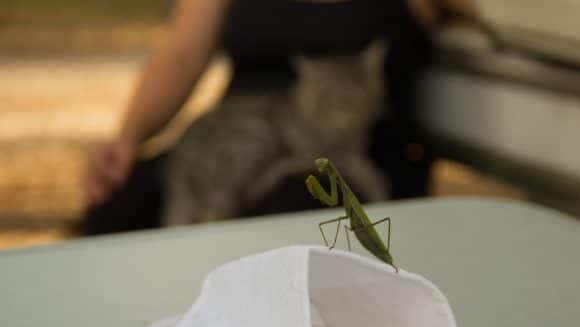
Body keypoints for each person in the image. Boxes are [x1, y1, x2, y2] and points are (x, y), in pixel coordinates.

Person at [83, 0, 477, 234]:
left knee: (283, 216)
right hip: (238, 141)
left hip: (356, 157)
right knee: (119, 205)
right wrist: (127, 137)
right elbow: (181, 53)